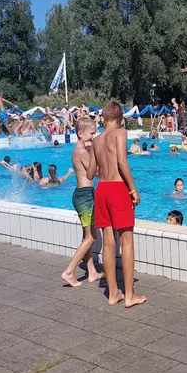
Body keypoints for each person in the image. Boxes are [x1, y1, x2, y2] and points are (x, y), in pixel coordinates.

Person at [87, 99, 145, 308]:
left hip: (101, 190)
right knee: (127, 242)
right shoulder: (120, 134)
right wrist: (133, 189)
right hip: (118, 189)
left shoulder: (96, 140)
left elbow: (90, 173)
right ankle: (129, 295)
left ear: (103, 119)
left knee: (109, 243)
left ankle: (113, 293)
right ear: (120, 119)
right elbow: (122, 161)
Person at [61, 118, 103, 287]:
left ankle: (91, 271)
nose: (94, 136)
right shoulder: (81, 152)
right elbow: (96, 172)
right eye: (91, 133)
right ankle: (69, 272)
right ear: (80, 134)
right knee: (91, 237)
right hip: (85, 196)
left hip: (82, 194)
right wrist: (95, 152)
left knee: (87, 236)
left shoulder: (78, 150)